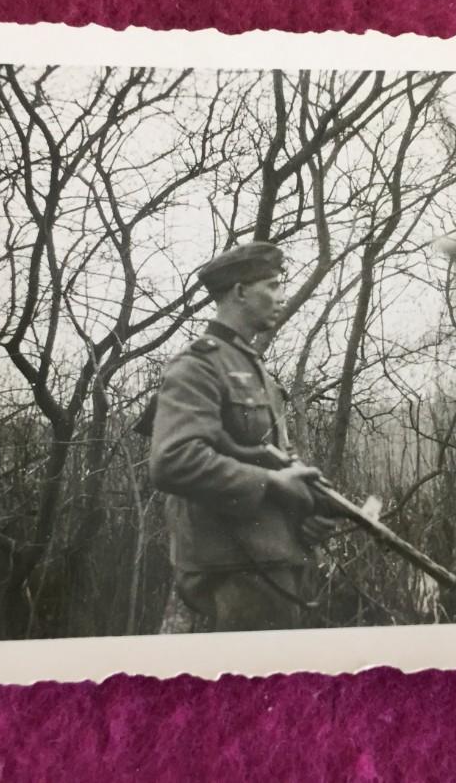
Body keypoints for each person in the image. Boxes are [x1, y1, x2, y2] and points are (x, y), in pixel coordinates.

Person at [148, 242, 336, 632]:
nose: (282, 296)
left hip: (270, 563)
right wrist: (271, 483)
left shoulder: (256, 370)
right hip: (235, 566)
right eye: (272, 285)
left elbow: (271, 458)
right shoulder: (198, 367)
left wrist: (306, 508)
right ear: (239, 292)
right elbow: (174, 460)